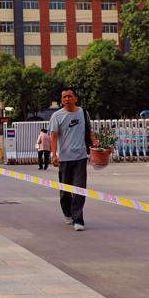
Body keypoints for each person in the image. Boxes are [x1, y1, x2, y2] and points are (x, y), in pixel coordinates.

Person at [49, 87, 98, 231]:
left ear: (76, 98)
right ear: (61, 100)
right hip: (64, 159)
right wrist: (54, 155)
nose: (67, 99)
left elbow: (89, 131)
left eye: (69, 96)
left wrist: (94, 141)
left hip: (80, 157)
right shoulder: (57, 116)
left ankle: (78, 219)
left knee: (79, 189)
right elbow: (53, 136)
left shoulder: (83, 113)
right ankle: (67, 213)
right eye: (64, 97)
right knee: (65, 191)